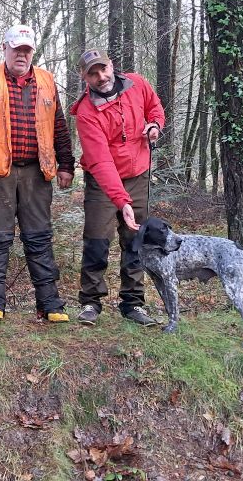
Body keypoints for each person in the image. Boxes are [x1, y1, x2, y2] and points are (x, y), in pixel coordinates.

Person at [0, 24, 75, 323]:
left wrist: (66, 164)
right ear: (4, 48)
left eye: (26, 50)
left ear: (32, 51)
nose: (21, 55)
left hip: (37, 170)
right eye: (16, 49)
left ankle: (50, 304)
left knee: (39, 237)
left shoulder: (46, 80)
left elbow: (59, 126)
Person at [68, 48, 165, 326]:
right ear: (85, 77)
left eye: (103, 69)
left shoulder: (137, 84)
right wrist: (122, 202)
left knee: (135, 239)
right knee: (97, 238)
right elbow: (100, 161)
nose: (101, 77)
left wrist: (155, 125)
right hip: (102, 180)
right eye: (93, 73)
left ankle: (133, 304)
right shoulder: (86, 112)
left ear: (111, 65)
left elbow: (155, 107)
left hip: (138, 175)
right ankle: (91, 301)